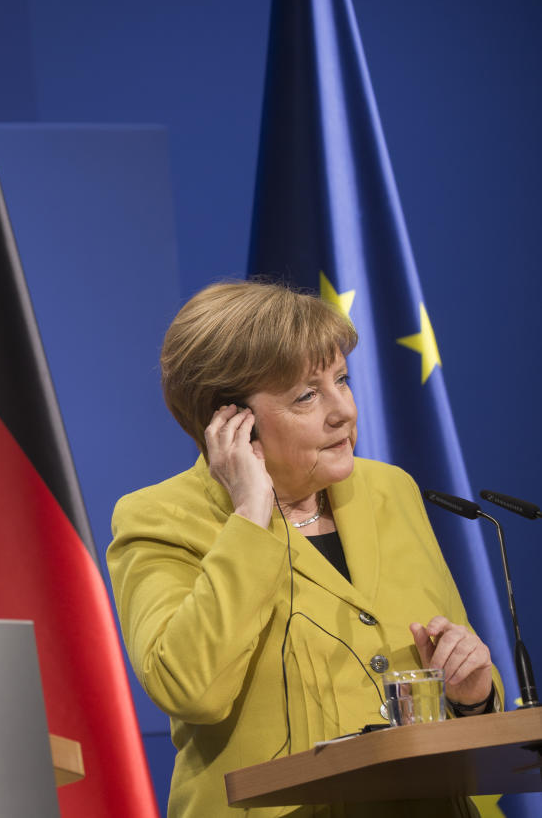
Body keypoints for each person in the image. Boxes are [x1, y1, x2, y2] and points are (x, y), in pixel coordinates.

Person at [107, 280, 500, 817]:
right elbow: (189, 689)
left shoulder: (389, 489)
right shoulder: (159, 518)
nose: (342, 410)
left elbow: (462, 667)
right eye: (306, 396)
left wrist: (473, 691)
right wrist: (250, 514)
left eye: (341, 379)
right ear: (231, 423)